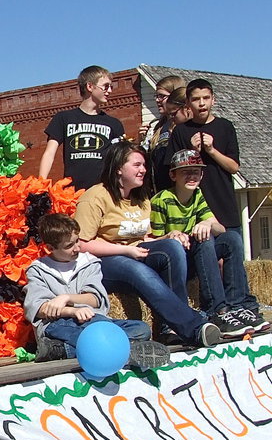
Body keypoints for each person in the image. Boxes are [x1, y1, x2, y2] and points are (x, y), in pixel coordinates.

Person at [74, 141, 221, 348]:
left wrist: (170, 236)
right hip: (102, 263)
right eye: (137, 165)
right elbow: (80, 244)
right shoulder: (95, 197)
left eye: (144, 165)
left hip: (133, 253)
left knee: (172, 248)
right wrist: (125, 250)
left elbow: (146, 239)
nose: (143, 170)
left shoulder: (141, 199)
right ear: (118, 168)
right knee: (137, 270)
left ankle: (169, 327)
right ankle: (193, 327)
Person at [24, 214, 170, 369]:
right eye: (69, 246)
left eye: (77, 240)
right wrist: (71, 312)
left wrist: (66, 298)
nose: (77, 248)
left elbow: (96, 299)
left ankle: (61, 349)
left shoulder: (89, 263)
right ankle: (126, 352)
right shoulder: (38, 270)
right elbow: (38, 308)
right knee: (89, 330)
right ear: (50, 248)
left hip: (94, 320)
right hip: (58, 325)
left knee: (141, 329)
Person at [150, 149, 269, 337]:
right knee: (204, 241)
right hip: (175, 263)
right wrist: (171, 235)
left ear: (202, 174)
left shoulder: (197, 195)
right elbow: (150, 241)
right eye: (185, 172)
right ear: (173, 175)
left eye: (196, 171)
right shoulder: (162, 200)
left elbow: (220, 228)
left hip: (196, 256)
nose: (192, 176)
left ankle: (237, 306)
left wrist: (207, 223)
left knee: (231, 239)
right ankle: (216, 311)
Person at [164, 79, 242, 232]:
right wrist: (193, 151)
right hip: (193, 210)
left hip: (224, 207)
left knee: (233, 248)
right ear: (187, 103)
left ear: (213, 100)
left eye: (206, 98)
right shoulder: (181, 131)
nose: (201, 103)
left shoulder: (225, 127)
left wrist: (212, 150)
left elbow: (233, 167)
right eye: (195, 99)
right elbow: (172, 173)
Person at [37, 65, 125, 190]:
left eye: (111, 86)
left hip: (104, 192)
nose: (110, 91)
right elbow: (50, 153)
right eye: (105, 86)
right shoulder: (64, 118)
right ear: (90, 86)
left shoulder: (114, 124)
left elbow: (121, 159)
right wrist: (41, 184)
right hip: (72, 193)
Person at [138, 75, 185, 150]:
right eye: (156, 96)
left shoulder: (183, 124)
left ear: (175, 96)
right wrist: (142, 139)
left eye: (162, 96)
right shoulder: (159, 126)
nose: (157, 100)